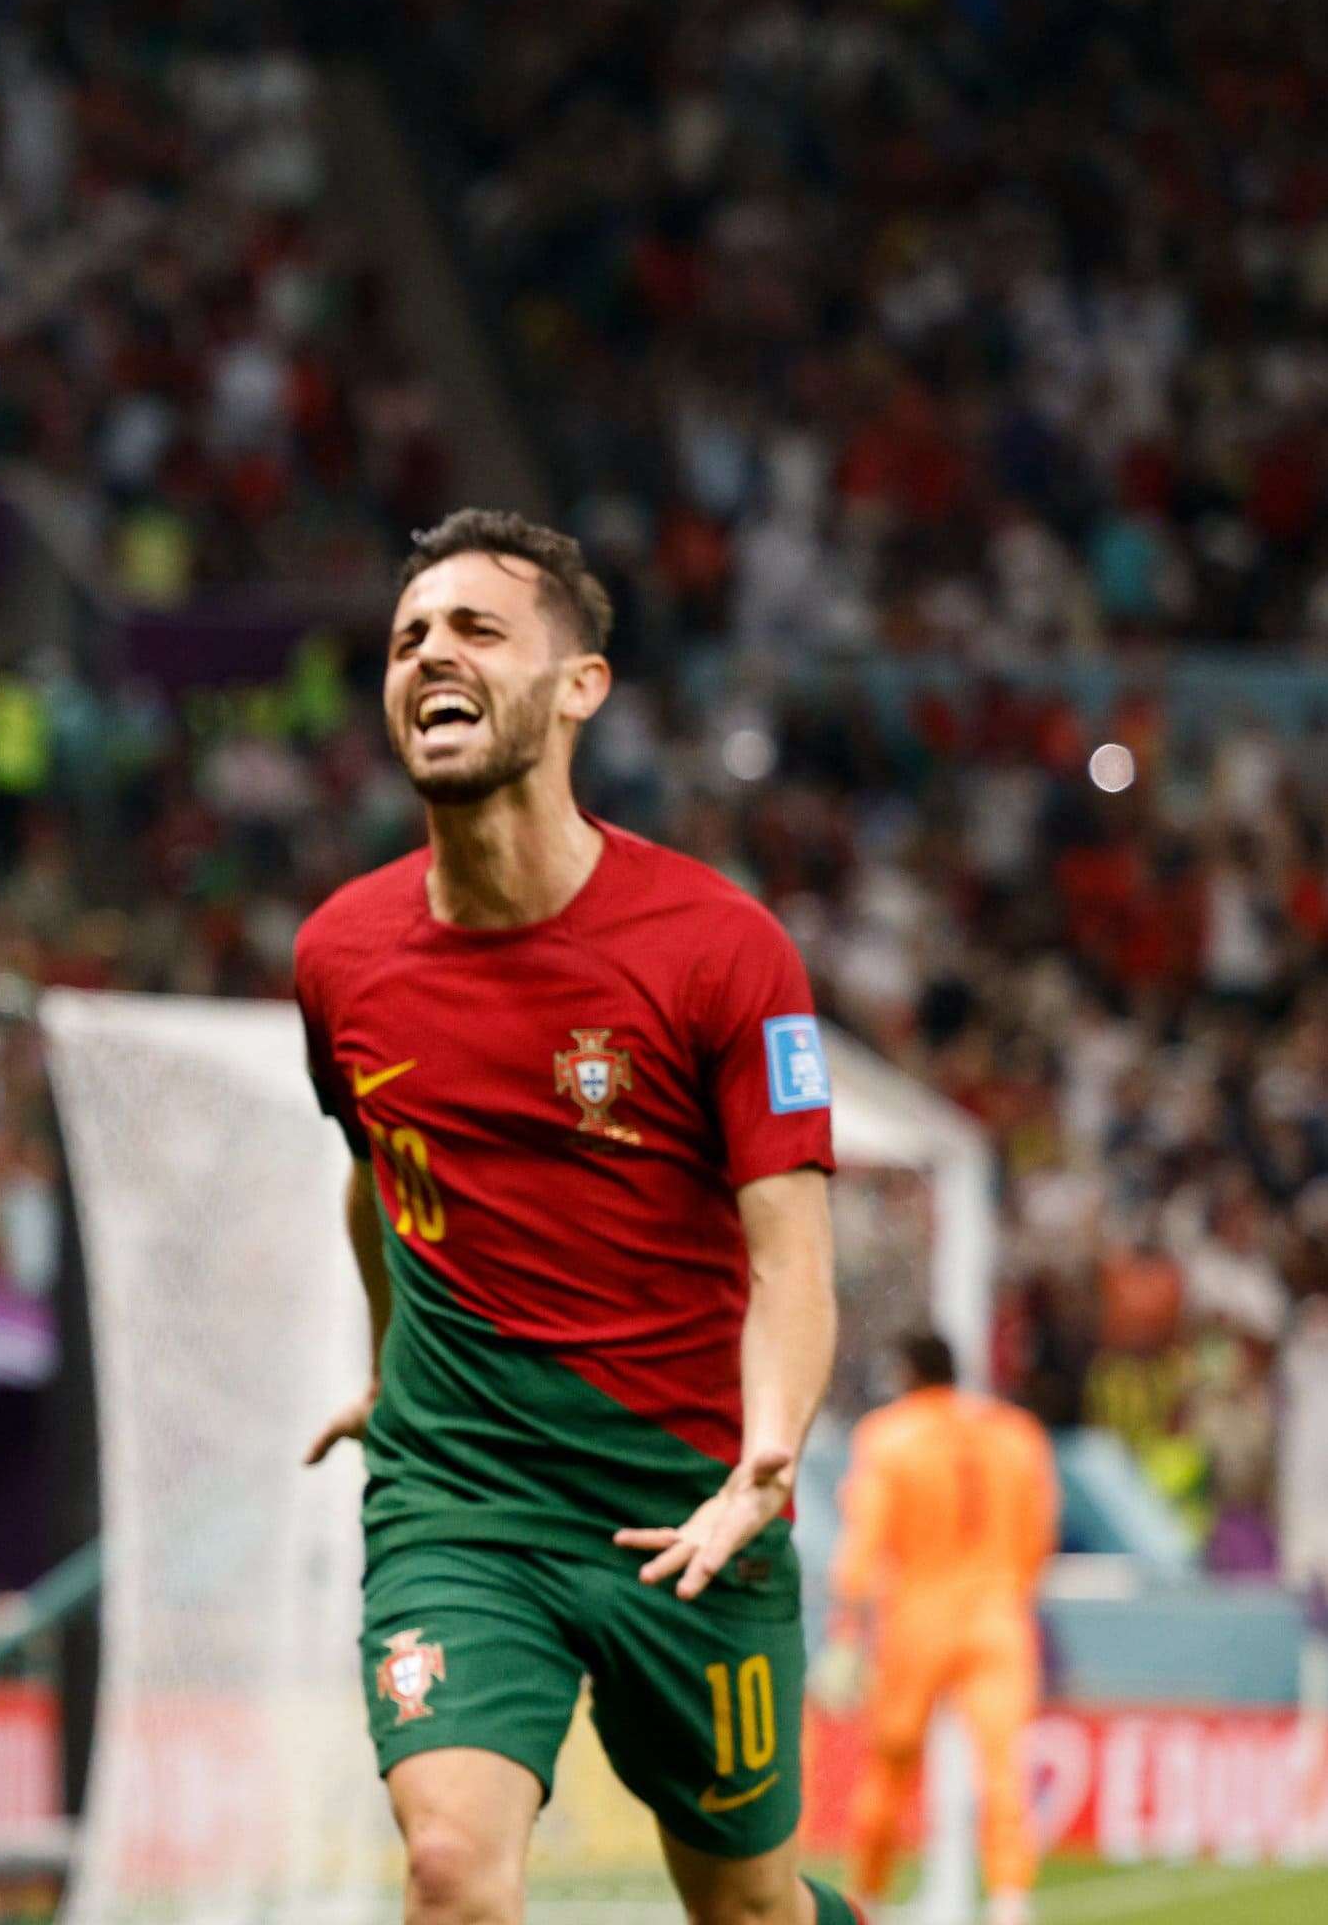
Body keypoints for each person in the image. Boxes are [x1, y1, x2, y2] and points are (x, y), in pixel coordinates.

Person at [296, 511, 857, 1925]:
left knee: (747, 1908)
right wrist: (385, 1362)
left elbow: (790, 1260)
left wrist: (765, 1460)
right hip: (459, 1499)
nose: (429, 652)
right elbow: (380, 1174)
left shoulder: (721, 949)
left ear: (577, 687)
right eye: (406, 637)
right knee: (449, 1871)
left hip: (684, 1508)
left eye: (474, 629)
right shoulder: (338, 955)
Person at [833, 1333, 1057, 1925]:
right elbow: (1039, 1534)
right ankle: (1010, 1902)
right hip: (998, 1617)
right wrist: (1010, 1589)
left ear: (907, 1373)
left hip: (917, 1619)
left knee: (889, 1768)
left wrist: (846, 1628)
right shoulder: (1016, 1434)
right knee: (1003, 1768)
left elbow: (864, 1542)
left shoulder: (888, 1437)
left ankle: (868, 1898)